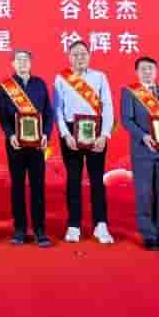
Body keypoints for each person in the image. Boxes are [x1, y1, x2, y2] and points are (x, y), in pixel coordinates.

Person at [53, 41, 115, 244]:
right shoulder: (61, 78)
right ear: (69, 57)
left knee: (97, 179)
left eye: (83, 54)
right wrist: (65, 134)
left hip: (95, 131)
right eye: (75, 54)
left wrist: (104, 135)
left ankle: (101, 224)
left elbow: (108, 107)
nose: (80, 57)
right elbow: (57, 109)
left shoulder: (100, 77)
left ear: (89, 55)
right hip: (71, 132)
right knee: (73, 179)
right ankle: (74, 225)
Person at [120, 56, 159, 252]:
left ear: (156, 71)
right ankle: (148, 235)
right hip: (143, 150)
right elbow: (126, 119)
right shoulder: (129, 92)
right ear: (137, 72)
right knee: (144, 195)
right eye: (143, 69)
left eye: (151, 68)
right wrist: (143, 136)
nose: (147, 72)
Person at [0, 49, 53, 247]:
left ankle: (40, 230)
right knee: (18, 187)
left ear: (31, 63)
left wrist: (46, 135)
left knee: (38, 187)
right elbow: (2, 115)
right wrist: (10, 135)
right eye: (18, 60)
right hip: (16, 144)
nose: (22, 63)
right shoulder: (6, 86)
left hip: (37, 145)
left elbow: (48, 113)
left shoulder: (40, 84)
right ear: (13, 63)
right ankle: (19, 229)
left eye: (26, 59)